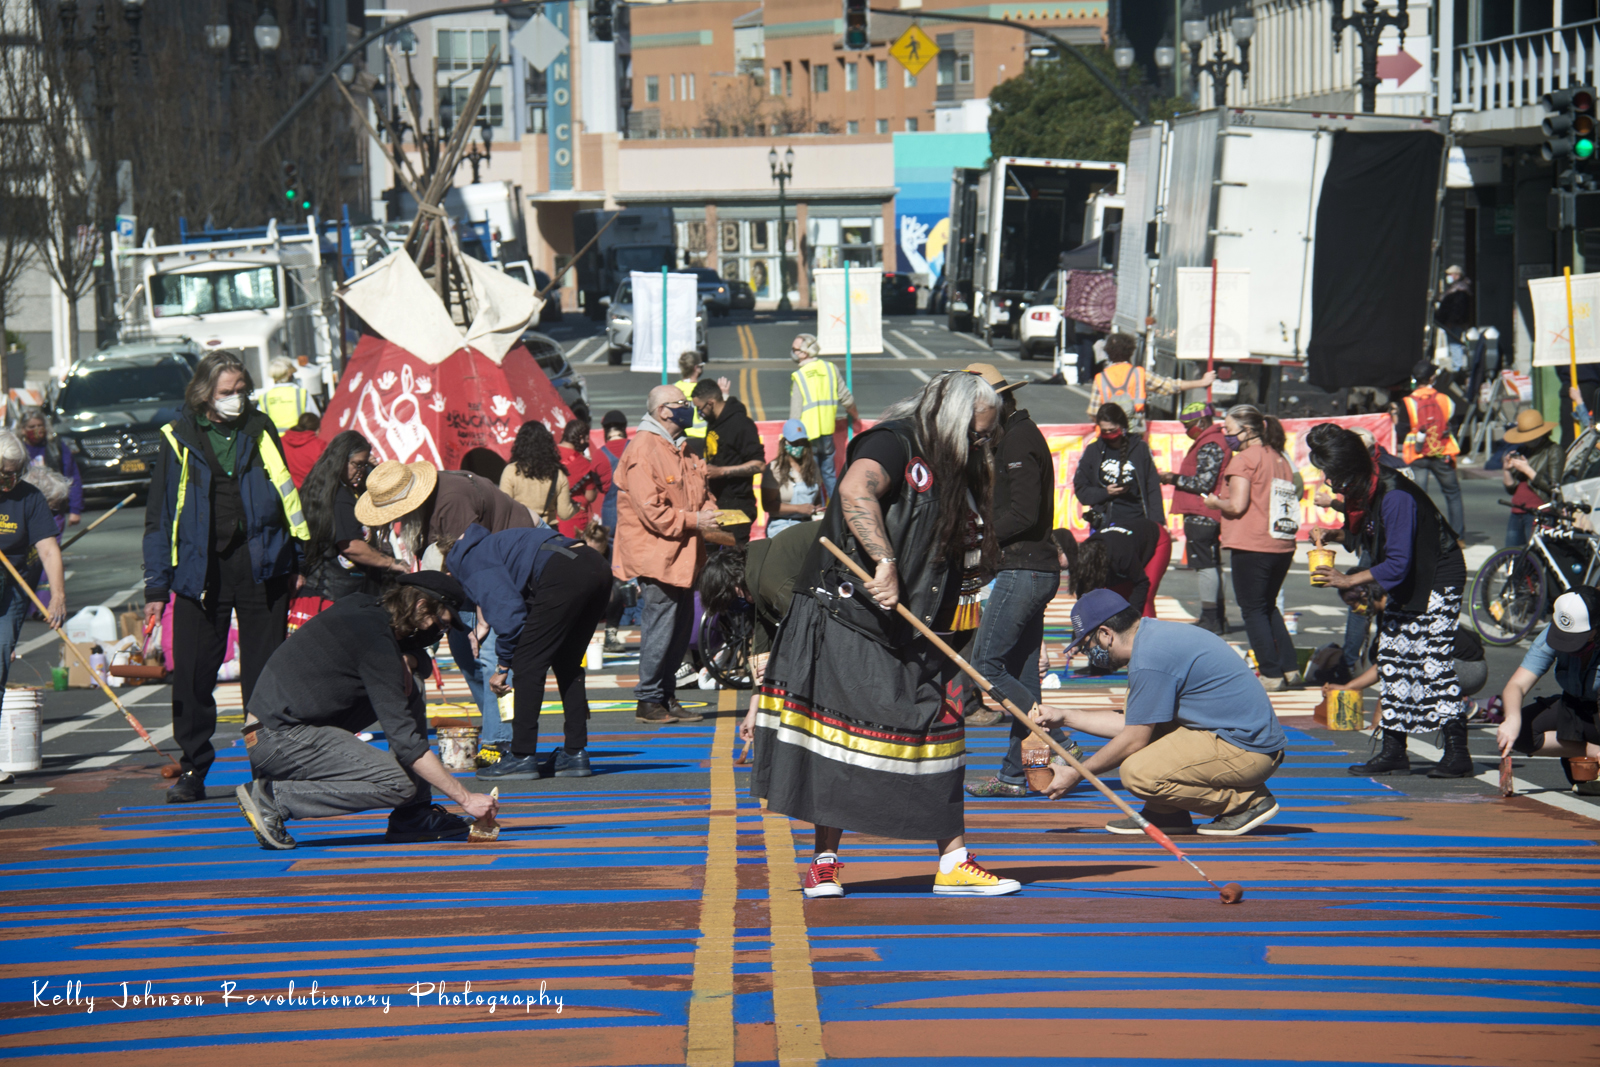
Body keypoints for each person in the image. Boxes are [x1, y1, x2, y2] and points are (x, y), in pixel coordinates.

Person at [748, 371, 1021, 898]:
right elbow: (855, 490)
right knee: (835, 739)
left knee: (941, 729)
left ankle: (954, 861)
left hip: (916, 625)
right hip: (847, 615)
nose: (982, 444)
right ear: (953, 419)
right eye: (978, 433)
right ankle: (823, 862)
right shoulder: (893, 442)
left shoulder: (954, 467)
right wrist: (884, 561)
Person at [143, 349, 306, 803]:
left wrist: (299, 558)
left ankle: (267, 769)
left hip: (262, 564)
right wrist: (157, 585)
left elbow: (286, 491)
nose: (237, 399)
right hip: (201, 570)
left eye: (241, 391)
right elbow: (159, 517)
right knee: (193, 674)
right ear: (204, 393)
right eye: (227, 392)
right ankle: (194, 769)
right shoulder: (178, 436)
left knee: (266, 676)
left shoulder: (259, 427)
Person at [233, 573, 498, 850]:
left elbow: (420, 662)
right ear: (421, 606)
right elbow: (406, 743)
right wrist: (466, 799)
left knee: (413, 684)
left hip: (283, 729)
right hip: (277, 737)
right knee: (398, 784)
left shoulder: (366, 610)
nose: (439, 633)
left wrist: (408, 658)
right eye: (440, 623)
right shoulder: (374, 642)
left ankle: (413, 816)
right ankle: (272, 798)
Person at [1031, 589, 1287, 836]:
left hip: (1248, 750)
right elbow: (1132, 724)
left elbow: (1133, 739)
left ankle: (1246, 803)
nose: (1089, 654)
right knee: (1146, 739)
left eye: (1087, 646)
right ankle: (1166, 812)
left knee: (1138, 773)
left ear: (1106, 633)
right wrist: (1065, 716)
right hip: (1234, 736)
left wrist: (1076, 773)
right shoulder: (1152, 637)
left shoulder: (1150, 660)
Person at [1307, 422, 1472, 778]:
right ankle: (1394, 749)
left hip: (1438, 575)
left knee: (1433, 660)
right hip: (1410, 575)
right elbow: (1370, 533)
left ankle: (1458, 751)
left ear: (1351, 472)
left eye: (1332, 476)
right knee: (1392, 655)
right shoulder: (1367, 489)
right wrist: (1334, 534)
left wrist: (1347, 578)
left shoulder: (1395, 494)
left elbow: (1397, 563)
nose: (1329, 484)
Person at [355, 459, 534, 764]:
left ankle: (501, 742)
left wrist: (482, 617)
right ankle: (500, 726)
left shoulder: (452, 502)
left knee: (490, 652)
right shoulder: (427, 507)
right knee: (465, 653)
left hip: (507, 561)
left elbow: (478, 567)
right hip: (468, 566)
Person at [959, 365, 1066, 799]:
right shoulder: (1013, 437)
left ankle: (1058, 737)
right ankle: (1018, 773)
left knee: (986, 666)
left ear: (995, 404)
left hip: (1025, 568)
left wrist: (978, 538)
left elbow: (1021, 514)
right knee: (1024, 676)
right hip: (1030, 567)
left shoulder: (1019, 440)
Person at [443, 522, 613, 780]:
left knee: (526, 664)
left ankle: (521, 756)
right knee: (568, 663)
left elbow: (510, 617)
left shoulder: (471, 561)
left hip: (562, 572)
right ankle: (575, 753)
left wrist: (503, 667)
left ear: (449, 570)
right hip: (596, 565)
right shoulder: (494, 545)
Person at [613, 384, 727, 724]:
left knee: (680, 627)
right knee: (661, 626)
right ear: (664, 410)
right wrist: (696, 519)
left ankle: (665, 696)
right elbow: (652, 512)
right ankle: (649, 700)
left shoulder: (683, 447)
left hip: (685, 554)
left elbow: (700, 491)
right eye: (682, 403)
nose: (689, 408)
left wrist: (713, 513)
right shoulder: (644, 450)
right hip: (657, 555)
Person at [1201, 404, 1300, 690]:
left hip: (1252, 542)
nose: (1226, 435)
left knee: (1253, 610)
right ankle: (1290, 669)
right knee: (1267, 607)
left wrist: (1213, 502)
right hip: (1281, 542)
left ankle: (1270, 673)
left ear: (1247, 430)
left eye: (1229, 430)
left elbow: (1237, 504)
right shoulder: (1279, 457)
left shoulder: (1244, 459)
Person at [1496, 586, 1600, 794]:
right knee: (1522, 730)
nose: (1570, 648)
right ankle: (1589, 751)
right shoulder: (1555, 629)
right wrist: (1512, 720)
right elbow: (1516, 685)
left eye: (1577, 640)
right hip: (1576, 706)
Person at [298, 431, 405, 605]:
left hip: (336, 588)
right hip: (339, 591)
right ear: (341, 460)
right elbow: (351, 546)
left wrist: (372, 470)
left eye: (364, 466)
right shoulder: (340, 498)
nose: (360, 471)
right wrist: (391, 563)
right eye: (357, 465)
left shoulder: (333, 488)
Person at [0, 431, 66, 684]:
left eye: (17, 472)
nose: (11, 480)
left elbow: (49, 549)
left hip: (11, 586)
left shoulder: (30, 497)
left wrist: (57, 596)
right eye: (5, 474)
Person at [1161, 402, 1230, 634]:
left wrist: (1172, 478)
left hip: (1203, 513)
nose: (1186, 430)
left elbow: (1203, 483)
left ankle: (1210, 617)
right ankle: (1217, 617)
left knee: (1205, 566)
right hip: (1206, 512)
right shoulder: (1213, 441)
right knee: (1212, 564)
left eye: (1188, 425)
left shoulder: (1211, 444)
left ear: (1202, 422)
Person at [787, 332, 862, 502]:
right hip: (827, 432)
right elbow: (847, 399)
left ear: (805, 352)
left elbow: (795, 414)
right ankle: (837, 508)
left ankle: (815, 512)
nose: (793, 353)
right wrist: (855, 416)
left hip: (807, 435)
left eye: (795, 349)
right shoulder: (830, 368)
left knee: (810, 475)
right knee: (828, 474)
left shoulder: (800, 376)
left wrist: (790, 439)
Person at [1398, 360, 1465, 540]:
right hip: (1442, 452)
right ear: (1432, 378)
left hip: (1417, 454)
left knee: (1418, 498)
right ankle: (1459, 538)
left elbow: (1402, 430)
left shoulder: (1407, 402)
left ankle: (1420, 536)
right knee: (1452, 495)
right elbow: (1453, 423)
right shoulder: (1445, 399)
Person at [1085, 332, 1214, 426]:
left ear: (1108, 352)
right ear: (1131, 351)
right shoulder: (1139, 373)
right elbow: (1169, 386)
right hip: (1134, 431)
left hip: (1109, 434)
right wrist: (1201, 382)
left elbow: (1094, 412)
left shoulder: (1100, 378)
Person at [693, 379, 765, 546]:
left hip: (737, 505)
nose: (699, 414)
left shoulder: (741, 424)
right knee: (713, 557)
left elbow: (759, 464)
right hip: (716, 503)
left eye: (700, 409)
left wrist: (722, 471)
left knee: (733, 558)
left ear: (711, 403)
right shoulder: (714, 422)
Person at [1073, 402, 1165, 529]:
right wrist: (1105, 492)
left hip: (1137, 522)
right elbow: (1082, 491)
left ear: (1123, 427)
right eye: (1104, 431)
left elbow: (1153, 488)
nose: (1109, 435)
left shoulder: (1140, 449)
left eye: (1112, 430)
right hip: (1105, 524)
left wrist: (1158, 523)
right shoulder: (1093, 451)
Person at [1072, 513, 1168, 618]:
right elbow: (1083, 595)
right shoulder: (1085, 552)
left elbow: (1141, 583)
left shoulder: (1121, 555)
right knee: (1117, 599)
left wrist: (1131, 619)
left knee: (1145, 598)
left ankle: (1149, 633)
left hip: (1157, 539)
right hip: (1127, 542)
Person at [1501, 408, 1561, 548]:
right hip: (1517, 511)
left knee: (1536, 556)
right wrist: (1507, 470)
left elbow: (1554, 488)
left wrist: (1527, 470)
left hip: (1538, 512)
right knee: (1512, 556)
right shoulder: (1523, 450)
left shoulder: (1553, 451)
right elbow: (1511, 488)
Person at [500, 420, 575, 528]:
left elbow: (504, 508)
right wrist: (576, 508)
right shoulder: (557, 474)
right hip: (547, 532)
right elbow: (564, 514)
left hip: (519, 531)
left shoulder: (511, 471)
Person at [762, 420, 823, 538]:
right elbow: (768, 505)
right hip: (782, 525)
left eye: (802, 442)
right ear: (785, 443)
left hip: (808, 524)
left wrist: (818, 509)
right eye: (795, 442)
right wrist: (798, 509)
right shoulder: (774, 468)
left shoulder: (813, 467)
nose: (799, 445)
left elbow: (817, 497)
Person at [19, 408, 81, 526]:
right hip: (26, 509)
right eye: (32, 427)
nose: (37, 429)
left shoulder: (56, 448)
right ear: (23, 430)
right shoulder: (18, 451)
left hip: (54, 509)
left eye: (40, 425)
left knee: (51, 542)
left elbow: (72, 477)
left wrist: (75, 509)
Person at [559, 419, 611, 537]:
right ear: (581, 438)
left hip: (549, 516)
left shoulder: (548, 454)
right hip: (574, 518)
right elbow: (590, 496)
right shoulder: (584, 464)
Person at [259, 356, 319, 433]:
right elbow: (314, 418)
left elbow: (259, 423)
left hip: (274, 442)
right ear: (290, 374)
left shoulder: (264, 397)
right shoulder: (301, 393)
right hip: (297, 440)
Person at [1434, 265, 1474, 373]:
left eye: (1450, 274)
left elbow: (1457, 309)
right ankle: (1457, 367)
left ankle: (1458, 368)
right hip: (1452, 322)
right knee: (1453, 344)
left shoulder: (1460, 290)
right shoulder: (1455, 288)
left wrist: (1451, 321)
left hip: (1455, 323)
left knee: (1454, 345)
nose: (1448, 277)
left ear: (1456, 275)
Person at [599, 409, 629, 534]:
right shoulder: (636, 447)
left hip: (610, 515)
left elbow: (600, 486)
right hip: (634, 511)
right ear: (624, 428)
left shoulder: (599, 455)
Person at [280, 412, 326, 488]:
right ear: (317, 429)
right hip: (312, 493)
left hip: (287, 492)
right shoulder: (320, 446)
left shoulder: (281, 442)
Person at [674, 351, 710, 447]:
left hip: (682, 438)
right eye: (701, 366)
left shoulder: (675, 389)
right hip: (704, 439)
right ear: (696, 368)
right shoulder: (705, 389)